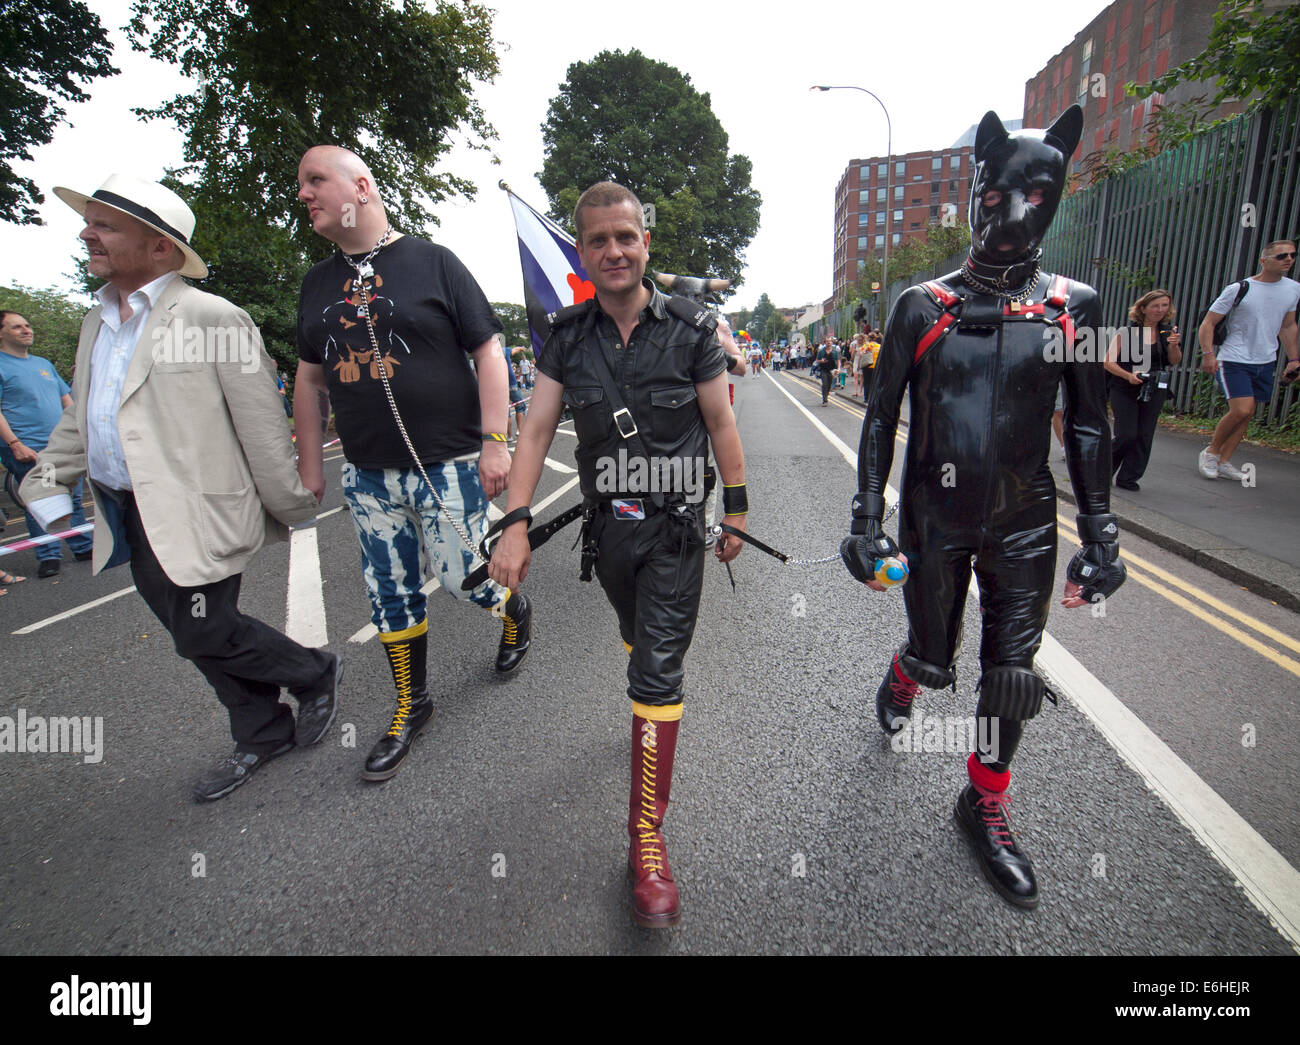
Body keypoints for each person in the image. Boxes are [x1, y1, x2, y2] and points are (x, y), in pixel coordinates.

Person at [842, 108, 1125, 910]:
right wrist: (867, 518)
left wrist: (1101, 529)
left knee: (1010, 677)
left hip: (1028, 519)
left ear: (1057, 199)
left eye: (1039, 195)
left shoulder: (1074, 305)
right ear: (977, 191)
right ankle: (904, 675)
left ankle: (984, 799)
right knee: (935, 658)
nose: (1017, 211)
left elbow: (1093, 425)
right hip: (935, 516)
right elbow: (878, 418)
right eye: (1001, 192)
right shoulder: (918, 306)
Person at [19, 174, 341, 801]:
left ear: (161, 247)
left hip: (198, 514)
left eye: (105, 224)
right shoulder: (95, 322)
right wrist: (48, 486)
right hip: (128, 513)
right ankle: (261, 730)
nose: (87, 233)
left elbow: (258, 420)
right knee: (188, 633)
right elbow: (83, 414)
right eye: (91, 221)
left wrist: (293, 498)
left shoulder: (212, 317)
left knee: (202, 629)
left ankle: (313, 670)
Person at [488, 181, 746, 929]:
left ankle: (646, 841)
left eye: (625, 236)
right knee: (636, 639)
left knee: (657, 668)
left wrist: (736, 505)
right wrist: (514, 524)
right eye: (598, 240)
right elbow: (534, 432)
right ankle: (640, 673)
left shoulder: (692, 328)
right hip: (608, 540)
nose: (614, 251)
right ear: (583, 249)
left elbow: (720, 421)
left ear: (645, 241)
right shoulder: (565, 337)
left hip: (674, 535)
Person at [292, 145, 530, 783]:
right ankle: (411, 705)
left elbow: (488, 351)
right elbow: (309, 382)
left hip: (447, 462)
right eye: (302, 184)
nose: (304, 193)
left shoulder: (433, 262)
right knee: (388, 593)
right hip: (368, 475)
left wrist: (494, 440)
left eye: (316, 180)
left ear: (361, 187)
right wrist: (311, 466)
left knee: (464, 580)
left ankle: (514, 612)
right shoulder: (317, 284)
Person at [0, 310, 95, 577]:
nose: (26, 330)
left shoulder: (43, 364)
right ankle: (48, 554)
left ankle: (81, 545)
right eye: (17, 326)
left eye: (27, 325)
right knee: (41, 495)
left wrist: (82, 432)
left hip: (59, 444)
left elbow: (67, 401)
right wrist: (15, 443)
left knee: (73, 496)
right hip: (27, 444)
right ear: (1, 333)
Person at [1196, 240, 1300, 481]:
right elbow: (1208, 323)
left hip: (1265, 359)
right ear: (1264, 261)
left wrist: (1294, 359)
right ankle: (1210, 452)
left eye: (1292, 255)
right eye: (1281, 255)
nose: (1288, 259)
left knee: (1248, 413)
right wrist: (1208, 354)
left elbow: (1288, 325)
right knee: (1241, 409)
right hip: (1234, 357)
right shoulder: (1240, 288)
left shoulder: (1293, 289)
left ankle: (1224, 461)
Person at [1105, 289, 1182, 490]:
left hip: (1155, 387)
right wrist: (1128, 376)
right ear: (1143, 308)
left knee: (1144, 434)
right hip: (1124, 387)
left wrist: (1174, 346)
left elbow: (1173, 362)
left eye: (1164, 305)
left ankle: (1128, 478)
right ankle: (1103, 472)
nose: (1160, 310)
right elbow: (1108, 362)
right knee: (1126, 434)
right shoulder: (1126, 332)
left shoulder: (1167, 333)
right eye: (1155, 305)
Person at [815, 333, 838, 405]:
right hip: (823, 370)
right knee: (825, 384)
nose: (829, 342)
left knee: (829, 384)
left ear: (832, 342)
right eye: (827, 341)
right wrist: (821, 361)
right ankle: (825, 400)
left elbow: (838, 360)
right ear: (825, 342)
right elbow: (817, 360)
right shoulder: (821, 351)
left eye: (830, 341)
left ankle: (826, 393)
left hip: (831, 370)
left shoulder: (835, 351)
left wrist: (839, 368)